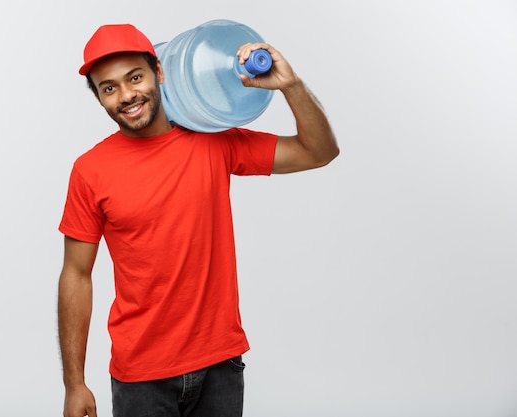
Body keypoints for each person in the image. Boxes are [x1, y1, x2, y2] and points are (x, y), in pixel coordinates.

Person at [57, 22, 339, 417]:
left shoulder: (214, 139)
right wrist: (75, 383)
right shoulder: (90, 171)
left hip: (220, 365)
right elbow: (76, 274)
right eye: (109, 88)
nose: (126, 95)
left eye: (135, 77)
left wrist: (290, 85)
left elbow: (319, 151)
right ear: (100, 98)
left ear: (159, 71)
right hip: (141, 375)